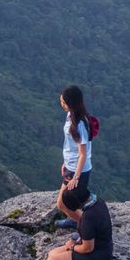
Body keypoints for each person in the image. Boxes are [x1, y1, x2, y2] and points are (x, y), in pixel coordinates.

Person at [45, 188, 113, 260]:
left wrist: (72, 247)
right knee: (52, 254)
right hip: (104, 249)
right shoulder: (98, 201)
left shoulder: (88, 218)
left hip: (95, 258)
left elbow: (87, 248)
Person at [55, 85, 92, 229]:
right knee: (69, 202)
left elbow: (83, 154)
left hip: (79, 170)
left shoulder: (80, 124)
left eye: (64, 103)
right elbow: (70, 145)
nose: (62, 105)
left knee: (62, 203)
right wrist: (66, 162)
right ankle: (75, 218)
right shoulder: (70, 115)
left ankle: (87, 227)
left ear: (72, 103)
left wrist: (76, 177)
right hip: (71, 166)